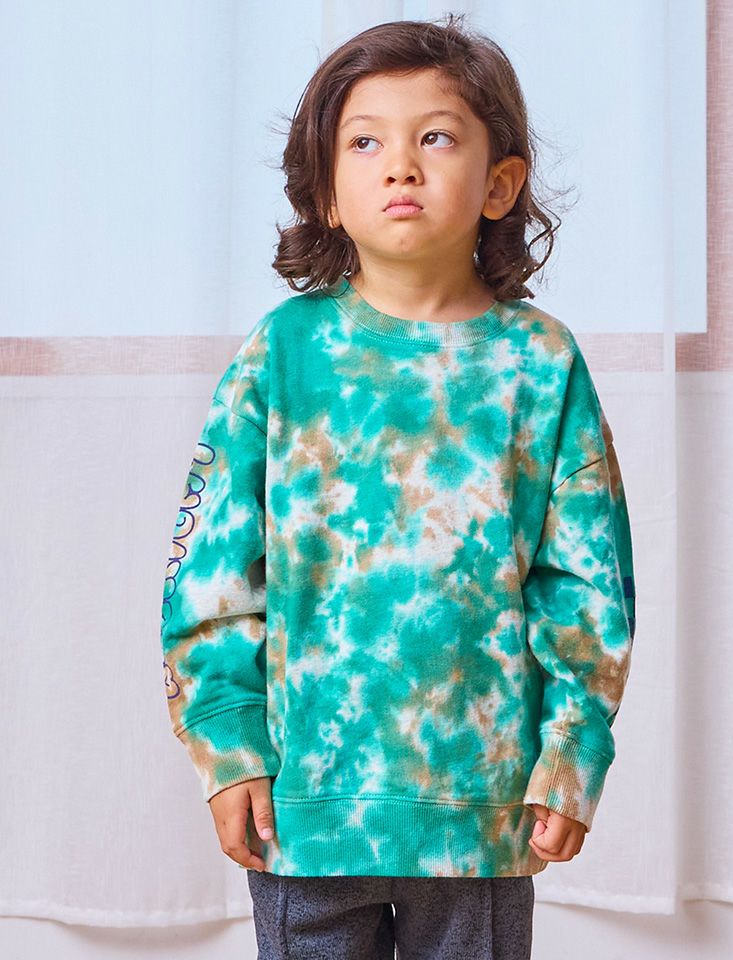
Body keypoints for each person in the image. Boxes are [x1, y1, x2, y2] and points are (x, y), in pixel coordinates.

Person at [160, 13, 636, 959]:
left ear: (500, 183)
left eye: (438, 138)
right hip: (306, 808)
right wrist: (226, 739)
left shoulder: (541, 363)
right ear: (326, 194)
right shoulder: (282, 355)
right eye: (366, 142)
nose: (401, 166)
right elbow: (210, 571)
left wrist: (574, 747)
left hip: (482, 810)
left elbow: (588, 584)